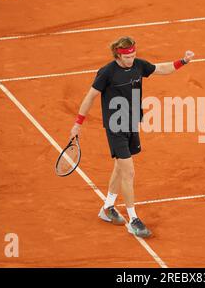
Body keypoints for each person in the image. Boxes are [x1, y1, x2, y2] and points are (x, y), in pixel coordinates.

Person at [70, 36, 194, 238]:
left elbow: (161, 69)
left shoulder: (138, 65)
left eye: (135, 55)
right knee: (129, 172)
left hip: (132, 123)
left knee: (120, 167)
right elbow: (90, 96)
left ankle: (108, 207)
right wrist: (78, 123)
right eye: (129, 57)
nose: (132, 59)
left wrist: (184, 61)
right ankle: (133, 219)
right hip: (115, 126)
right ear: (119, 55)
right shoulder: (107, 72)